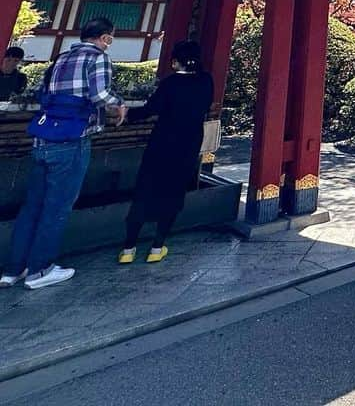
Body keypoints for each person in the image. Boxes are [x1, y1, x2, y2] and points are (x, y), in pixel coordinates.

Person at [1, 18, 125, 290]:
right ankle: (41, 269)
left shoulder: (61, 57)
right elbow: (101, 95)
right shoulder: (98, 57)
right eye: (110, 38)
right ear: (105, 37)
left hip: (44, 137)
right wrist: (120, 105)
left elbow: (41, 92)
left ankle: (13, 269)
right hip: (72, 138)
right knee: (57, 206)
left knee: (33, 206)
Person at [117, 39, 214, 264]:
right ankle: (157, 246)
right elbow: (207, 105)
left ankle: (128, 249)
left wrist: (126, 116)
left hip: (162, 142)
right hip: (188, 144)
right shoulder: (206, 81)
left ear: (175, 61)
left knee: (145, 190)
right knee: (173, 192)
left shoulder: (171, 84)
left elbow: (151, 109)